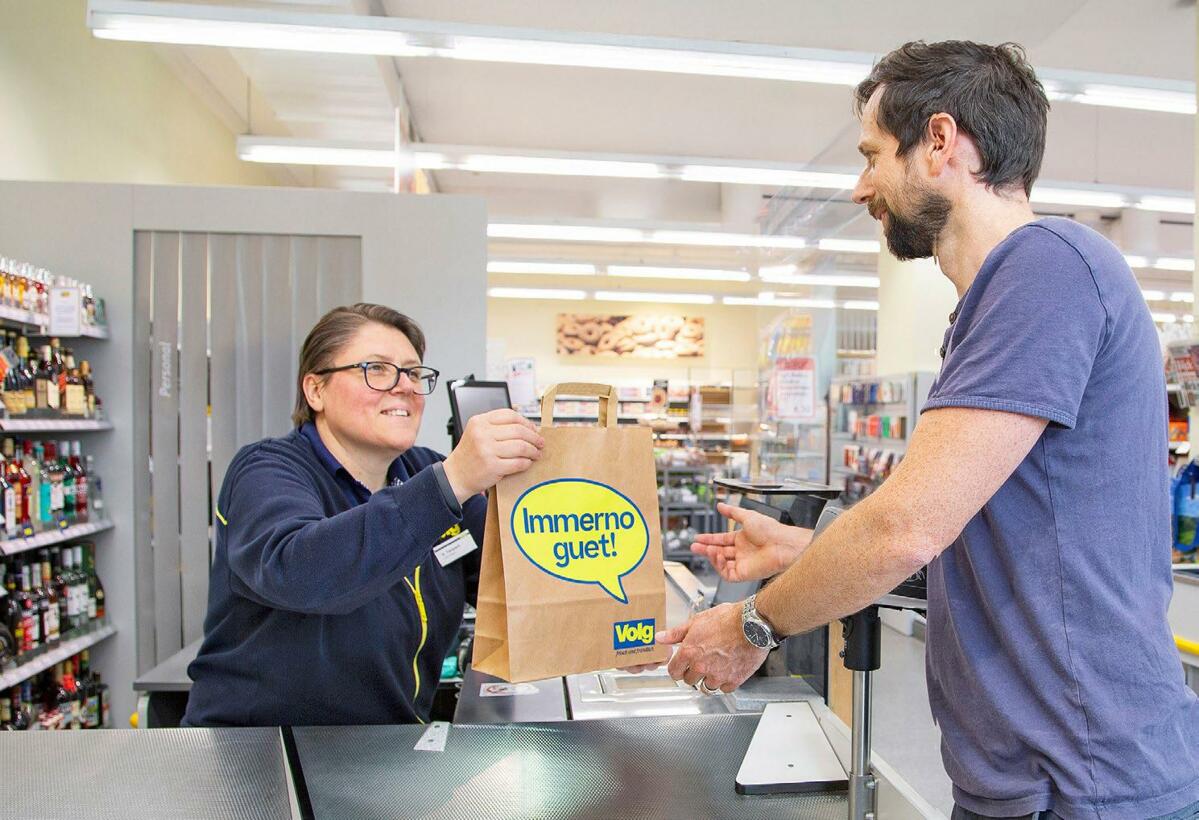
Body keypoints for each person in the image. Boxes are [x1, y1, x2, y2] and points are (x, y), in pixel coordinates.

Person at [660, 41, 1199, 819]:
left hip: (1085, 781)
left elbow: (905, 530)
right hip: (1030, 779)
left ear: (940, 141)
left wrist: (752, 624)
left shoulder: (1044, 266)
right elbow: (990, 552)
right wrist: (806, 552)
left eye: (873, 155)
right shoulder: (995, 302)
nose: (860, 187)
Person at [183, 303, 543, 726]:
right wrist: (452, 482)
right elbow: (300, 572)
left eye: (412, 372)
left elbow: (521, 585)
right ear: (315, 390)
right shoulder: (266, 471)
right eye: (377, 369)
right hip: (261, 755)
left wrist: (624, 628)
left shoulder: (422, 472)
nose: (404, 386)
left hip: (381, 754)